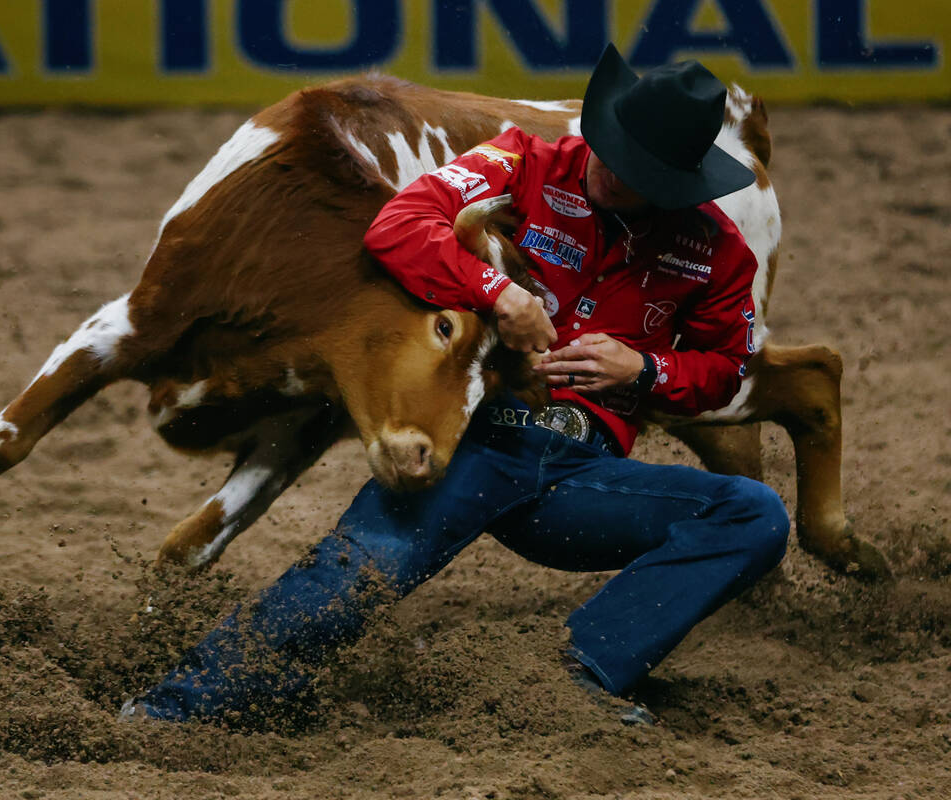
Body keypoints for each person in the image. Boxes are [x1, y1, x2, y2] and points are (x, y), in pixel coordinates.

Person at [121, 44, 789, 725]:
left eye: (639, 172)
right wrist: (498, 292)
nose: (614, 173)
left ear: (678, 182)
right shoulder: (521, 162)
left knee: (755, 514)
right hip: (479, 437)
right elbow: (401, 224)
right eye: (612, 150)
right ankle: (174, 709)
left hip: (581, 474)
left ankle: (578, 672)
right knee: (359, 572)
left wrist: (645, 370)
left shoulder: (715, 251)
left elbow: (728, 370)